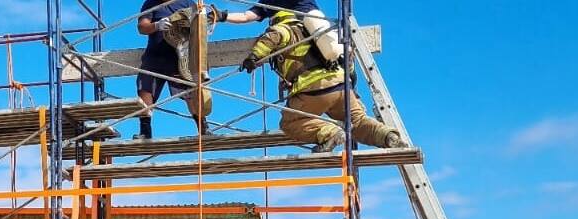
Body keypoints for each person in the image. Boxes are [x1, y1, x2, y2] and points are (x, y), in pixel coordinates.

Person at [239, 10, 403, 153]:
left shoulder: (285, 28)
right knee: (357, 121)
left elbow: (272, 38)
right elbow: (347, 58)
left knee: (290, 123)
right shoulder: (320, 33)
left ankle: (329, 133)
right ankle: (387, 136)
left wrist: (253, 57)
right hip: (341, 85)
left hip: (314, 88)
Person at [135, 0, 210, 139]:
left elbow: (200, 23)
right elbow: (142, 27)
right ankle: (145, 131)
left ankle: (203, 127)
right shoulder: (151, 3)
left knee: (191, 91)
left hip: (180, 55)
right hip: (155, 56)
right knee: (145, 88)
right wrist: (157, 25)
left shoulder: (187, 2)